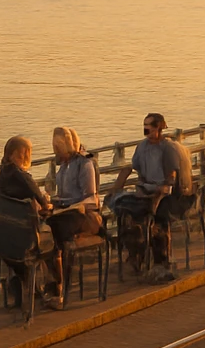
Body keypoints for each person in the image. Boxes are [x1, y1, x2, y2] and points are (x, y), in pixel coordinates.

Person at [107, 114, 194, 282]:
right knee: (127, 210)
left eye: (149, 126)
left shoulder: (168, 148)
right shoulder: (142, 147)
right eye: (144, 126)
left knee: (159, 214)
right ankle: (135, 254)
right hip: (146, 189)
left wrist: (158, 194)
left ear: (158, 128)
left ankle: (161, 259)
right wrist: (121, 187)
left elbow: (171, 178)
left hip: (167, 192)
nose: (146, 129)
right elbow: (135, 170)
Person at [0, 137, 59, 308]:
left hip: (5, 241)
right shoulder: (23, 177)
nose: (25, 158)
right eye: (23, 154)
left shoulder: (1, 177)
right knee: (55, 240)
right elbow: (44, 204)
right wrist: (47, 204)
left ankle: (26, 286)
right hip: (27, 242)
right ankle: (54, 289)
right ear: (12, 155)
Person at [45, 127, 104, 304]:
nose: (56, 154)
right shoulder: (63, 167)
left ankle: (62, 286)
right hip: (67, 212)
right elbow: (63, 195)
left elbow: (91, 198)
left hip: (86, 215)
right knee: (47, 227)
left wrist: (74, 206)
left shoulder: (84, 164)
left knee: (59, 230)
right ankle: (54, 282)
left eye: (58, 149)